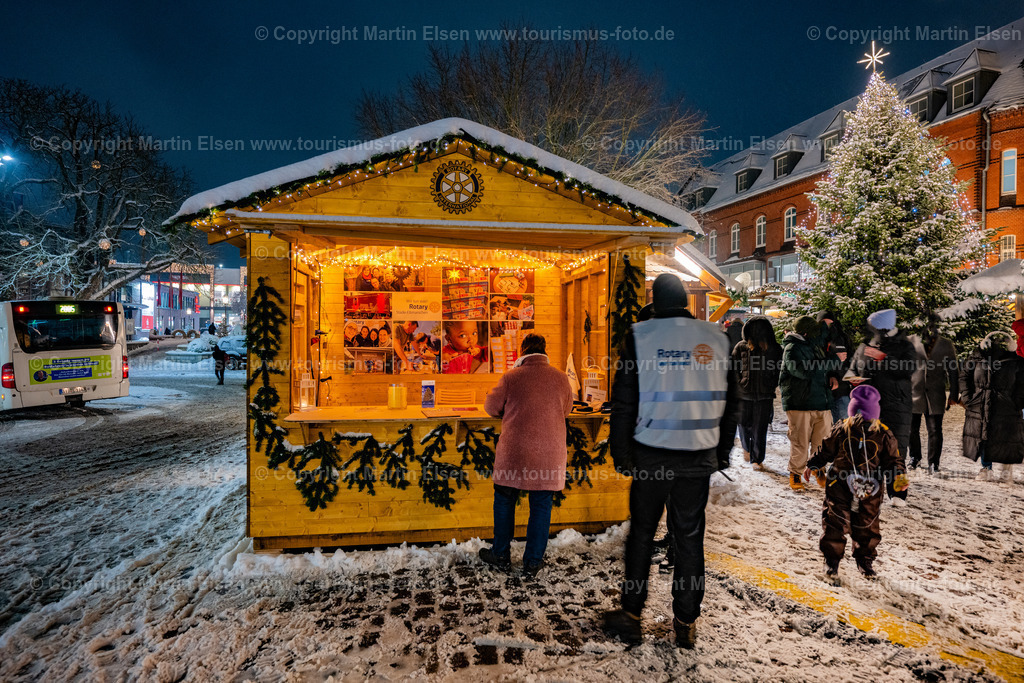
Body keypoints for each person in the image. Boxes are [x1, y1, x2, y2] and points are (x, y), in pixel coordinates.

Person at [602, 274, 739, 650]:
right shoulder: (717, 337)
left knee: (643, 534)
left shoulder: (641, 336)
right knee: (689, 538)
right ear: (685, 301)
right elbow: (732, 402)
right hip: (697, 455)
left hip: (652, 453)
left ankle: (631, 614)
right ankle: (685, 621)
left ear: (655, 301)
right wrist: (721, 451)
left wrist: (622, 454)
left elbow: (625, 401)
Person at [480, 334, 573, 576]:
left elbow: (491, 407)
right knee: (541, 506)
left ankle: (500, 554)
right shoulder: (561, 377)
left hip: (515, 453)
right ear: (544, 351)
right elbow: (567, 409)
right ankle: (533, 561)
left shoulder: (511, 377)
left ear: (522, 352)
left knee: (504, 499)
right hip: (548, 456)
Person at [804, 384, 908, 583]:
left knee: (867, 525)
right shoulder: (843, 429)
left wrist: (899, 480)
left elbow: (894, 461)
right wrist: (813, 463)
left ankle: (865, 560)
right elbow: (826, 449)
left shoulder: (884, 434)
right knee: (835, 521)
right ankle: (831, 560)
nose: (863, 419)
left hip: (870, 489)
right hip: (839, 485)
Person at [848, 309, 920, 502]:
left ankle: (897, 494)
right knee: (868, 450)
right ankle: (868, 490)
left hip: (896, 406)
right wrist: (855, 383)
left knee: (896, 451)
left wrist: (884, 359)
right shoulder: (864, 347)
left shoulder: (905, 346)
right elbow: (853, 370)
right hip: (868, 408)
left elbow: (908, 369)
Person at [779, 316, 838, 491]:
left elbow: (820, 367)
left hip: (822, 401)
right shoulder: (792, 348)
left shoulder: (814, 345)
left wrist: (831, 375)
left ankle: (818, 469)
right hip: (800, 403)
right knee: (800, 441)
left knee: (822, 441)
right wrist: (832, 362)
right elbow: (803, 371)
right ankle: (795, 473)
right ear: (806, 333)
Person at [960, 331, 1024, 483]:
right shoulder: (976, 357)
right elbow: (965, 376)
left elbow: (1022, 383)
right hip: (980, 403)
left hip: (1006, 406)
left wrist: (1018, 401)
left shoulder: (1016, 361)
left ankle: (1006, 471)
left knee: (1006, 436)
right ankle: (986, 468)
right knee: (983, 435)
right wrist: (968, 398)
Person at [732, 316, 783, 471]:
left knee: (759, 428)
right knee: (743, 423)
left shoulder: (774, 348)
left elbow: (779, 369)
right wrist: (740, 382)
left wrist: (772, 383)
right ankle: (747, 448)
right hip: (744, 392)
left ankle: (757, 458)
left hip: (764, 394)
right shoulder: (741, 346)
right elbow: (733, 366)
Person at [909, 319, 959, 472]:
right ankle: (914, 458)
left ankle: (934, 463)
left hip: (936, 392)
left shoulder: (946, 344)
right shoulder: (910, 341)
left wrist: (954, 393)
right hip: (913, 392)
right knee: (912, 429)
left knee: (935, 430)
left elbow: (953, 370)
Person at [816, 311, 853, 422]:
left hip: (840, 389)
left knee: (842, 425)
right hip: (821, 392)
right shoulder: (816, 339)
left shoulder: (840, 338)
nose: (826, 326)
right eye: (823, 322)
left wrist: (835, 376)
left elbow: (846, 361)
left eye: (829, 323)